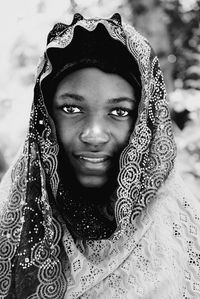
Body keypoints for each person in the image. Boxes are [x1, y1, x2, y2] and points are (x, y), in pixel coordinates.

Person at [0, 13, 200, 299]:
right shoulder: (12, 226)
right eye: (71, 109)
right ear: (44, 118)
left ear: (144, 124)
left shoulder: (182, 235)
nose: (93, 134)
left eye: (119, 112)